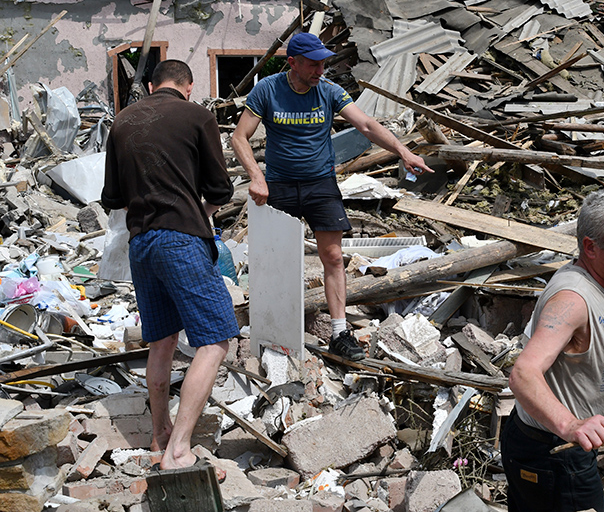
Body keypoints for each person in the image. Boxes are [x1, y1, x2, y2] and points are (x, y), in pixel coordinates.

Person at [231, 32, 432, 362]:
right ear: (292, 63)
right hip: (278, 184)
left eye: (323, 64)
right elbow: (240, 137)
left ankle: (340, 332)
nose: (320, 71)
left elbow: (366, 124)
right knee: (277, 260)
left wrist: (402, 151)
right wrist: (256, 176)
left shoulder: (329, 91)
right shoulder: (267, 89)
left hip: (320, 183)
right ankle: (274, 327)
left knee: (334, 256)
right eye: (313, 65)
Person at [102, 60, 238, 472]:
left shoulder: (122, 121)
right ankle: (179, 449)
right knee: (215, 339)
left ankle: (160, 434)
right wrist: (200, 214)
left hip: (140, 242)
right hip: (181, 238)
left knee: (161, 341)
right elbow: (219, 187)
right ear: (189, 87)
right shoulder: (197, 115)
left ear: (149, 85)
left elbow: (112, 198)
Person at [502, 190, 604, 512]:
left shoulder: (596, 283)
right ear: (591, 248)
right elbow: (523, 374)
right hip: (553, 454)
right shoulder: (572, 299)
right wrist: (570, 425)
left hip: (556, 448)